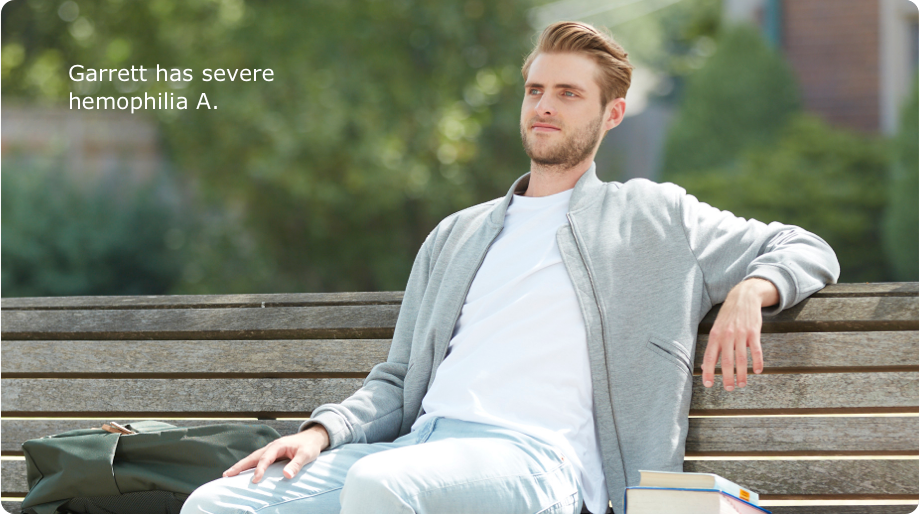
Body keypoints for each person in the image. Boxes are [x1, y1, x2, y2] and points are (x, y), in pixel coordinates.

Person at [180, 21, 839, 514]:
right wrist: (324, 432)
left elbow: (807, 248)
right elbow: (399, 377)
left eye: (568, 94)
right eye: (535, 90)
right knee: (214, 504)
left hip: (543, 462)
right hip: (416, 449)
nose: (544, 105)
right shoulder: (457, 235)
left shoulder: (656, 217)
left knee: (382, 490)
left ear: (611, 115)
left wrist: (753, 289)